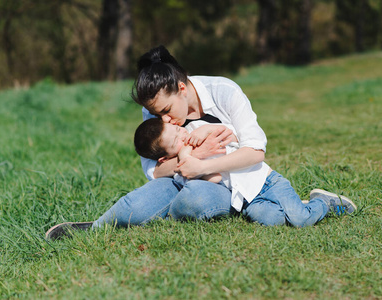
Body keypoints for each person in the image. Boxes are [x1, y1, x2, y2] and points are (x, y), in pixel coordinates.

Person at [45, 45, 356, 240]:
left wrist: (204, 160)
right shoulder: (154, 110)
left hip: (225, 182)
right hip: (184, 176)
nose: (162, 121)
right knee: (136, 203)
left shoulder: (224, 91)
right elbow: (154, 171)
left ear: (182, 88)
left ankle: (309, 205)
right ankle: (94, 228)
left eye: (165, 111)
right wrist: (187, 163)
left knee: (193, 202)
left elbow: (255, 150)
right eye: (155, 114)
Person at [134, 117, 357, 226]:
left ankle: (324, 203)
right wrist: (187, 157)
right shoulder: (184, 168)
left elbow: (227, 131)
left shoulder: (195, 130)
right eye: (175, 140)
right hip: (248, 200)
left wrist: (205, 130)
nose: (182, 135)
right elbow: (215, 178)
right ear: (166, 158)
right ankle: (300, 204)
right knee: (267, 219)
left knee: (299, 220)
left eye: (176, 129)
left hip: (266, 181)